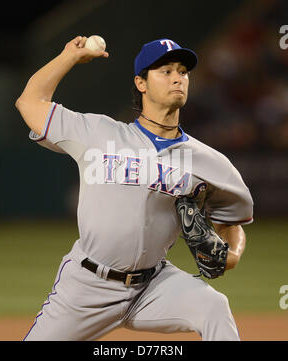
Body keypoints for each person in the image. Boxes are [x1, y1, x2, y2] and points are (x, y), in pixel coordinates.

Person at [15, 36, 253, 341]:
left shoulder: (210, 162)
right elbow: (29, 103)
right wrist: (68, 57)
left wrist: (230, 255)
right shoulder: (97, 133)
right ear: (141, 83)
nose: (177, 78)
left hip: (154, 285)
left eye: (183, 71)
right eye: (165, 72)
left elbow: (231, 220)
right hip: (87, 287)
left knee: (214, 306)